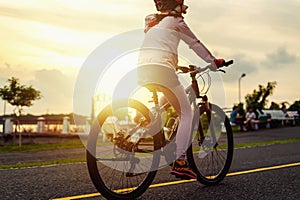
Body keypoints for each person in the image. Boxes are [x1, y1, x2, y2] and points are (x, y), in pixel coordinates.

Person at [137, 0, 225, 180]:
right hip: (162, 69)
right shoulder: (176, 22)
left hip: (142, 69)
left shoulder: (154, 23)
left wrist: (174, 64)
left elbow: (161, 45)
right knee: (187, 113)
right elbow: (194, 43)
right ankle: (181, 161)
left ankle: (144, 126)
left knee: (168, 96)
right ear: (176, 5)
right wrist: (213, 61)